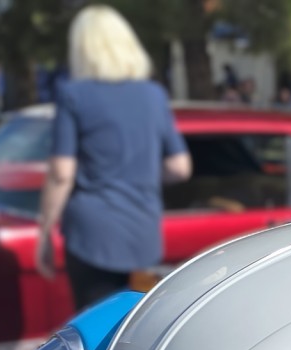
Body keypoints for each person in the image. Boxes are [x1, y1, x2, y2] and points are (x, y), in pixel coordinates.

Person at [35, 5, 192, 310]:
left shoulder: (73, 94)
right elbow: (180, 167)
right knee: (134, 324)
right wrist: (139, 174)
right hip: (142, 234)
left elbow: (61, 174)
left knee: (96, 324)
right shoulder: (154, 94)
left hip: (93, 235)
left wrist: (44, 232)